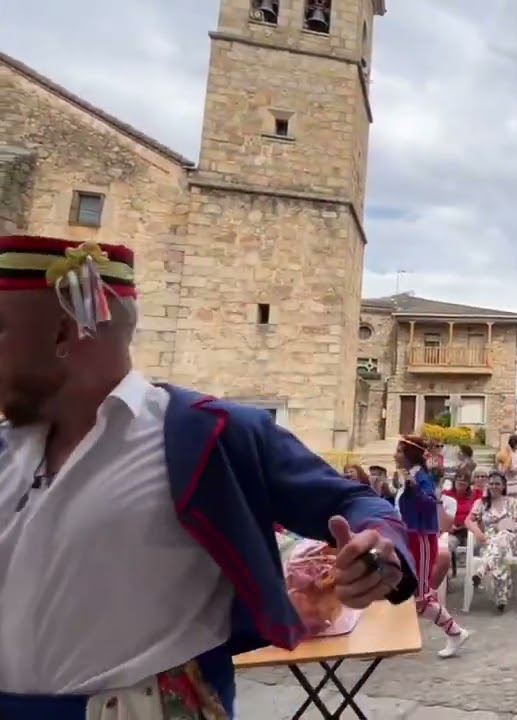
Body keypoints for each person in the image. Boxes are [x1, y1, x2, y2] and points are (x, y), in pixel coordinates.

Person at [0, 235, 417, 717]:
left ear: (64, 334)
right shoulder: (8, 446)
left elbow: (356, 505)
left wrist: (380, 547)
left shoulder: (209, 433)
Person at [394, 436, 470, 655]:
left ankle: (455, 632)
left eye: (399, 451)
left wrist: (415, 488)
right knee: (408, 590)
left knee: (420, 596)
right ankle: (400, 637)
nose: (395, 455)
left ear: (409, 454)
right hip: (410, 538)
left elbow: (431, 503)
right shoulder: (410, 476)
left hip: (422, 539)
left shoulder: (421, 477)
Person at [465, 470, 517, 612]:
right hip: (488, 542)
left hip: (510, 540)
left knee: (504, 536)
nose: (494, 486)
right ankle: (501, 598)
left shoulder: (512, 502)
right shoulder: (481, 503)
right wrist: (478, 532)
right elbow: (468, 520)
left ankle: (482, 569)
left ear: (504, 485)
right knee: (500, 552)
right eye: (492, 484)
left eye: (497, 484)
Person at [443, 470, 483, 554]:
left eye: (465, 481)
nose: (462, 482)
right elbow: (441, 513)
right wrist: (448, 525)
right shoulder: (446, 495)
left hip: (470, 531)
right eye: (459, 479)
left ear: (468, 484)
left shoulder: (475, 495)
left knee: (477, 545)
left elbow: (480, 511)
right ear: (454, 481)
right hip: (452, 532)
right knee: (447, 545)